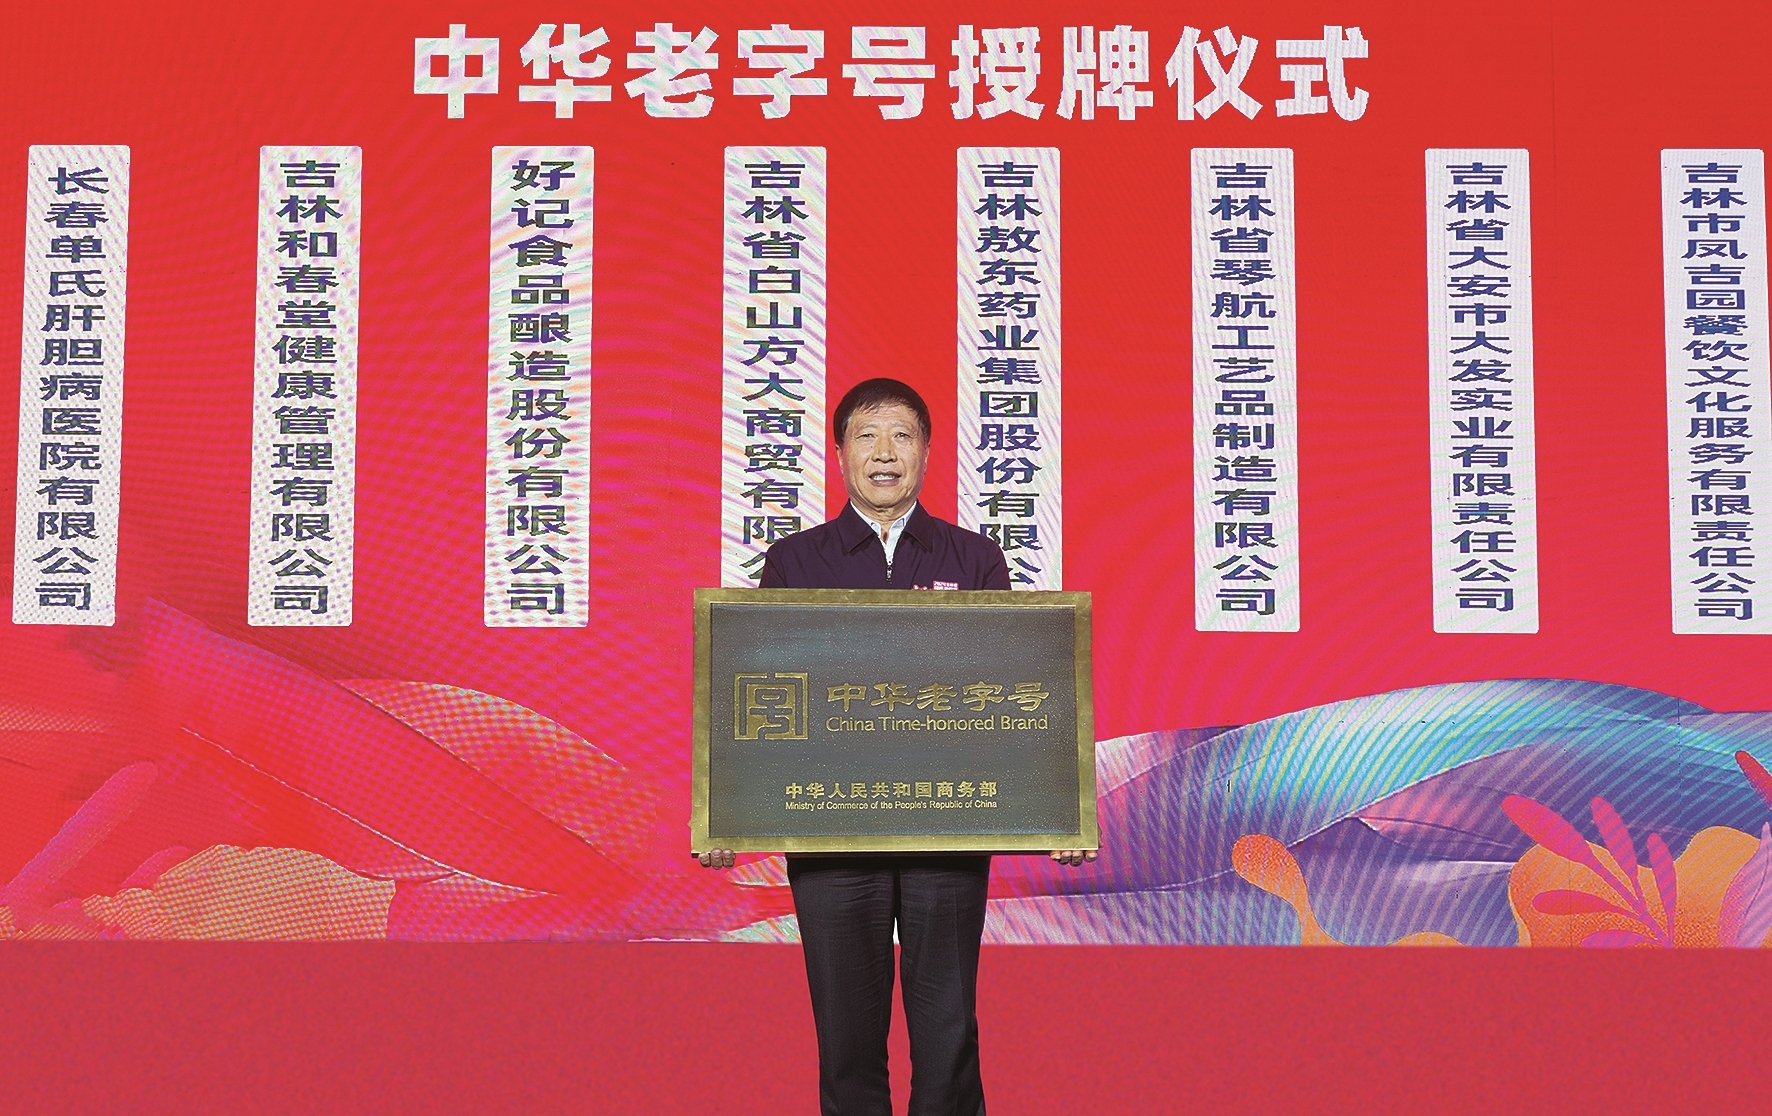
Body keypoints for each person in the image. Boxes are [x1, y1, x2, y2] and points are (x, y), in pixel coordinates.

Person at [699, 378, 1096, 1116]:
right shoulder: (795, 562)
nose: (885, 453)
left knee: (948, 1028)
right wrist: (726, 813)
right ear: (840, 453)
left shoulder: (974, 560)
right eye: (867, 435)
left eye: (902, 435)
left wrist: (1060, 809)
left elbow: (1011, 689)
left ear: (926, 452)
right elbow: (758, 692)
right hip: (829, 826)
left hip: (947, 823)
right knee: (846, 1034)